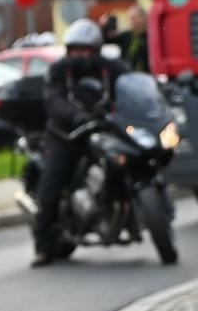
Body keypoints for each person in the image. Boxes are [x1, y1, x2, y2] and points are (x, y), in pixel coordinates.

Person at [30, 20, 129, 267]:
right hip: (67, 134)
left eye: (84, 50)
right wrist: (76, 115)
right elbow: (54, 100)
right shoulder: (58, 70)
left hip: (104, 130)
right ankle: (42, 245)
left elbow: (131, 83)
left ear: (95, 49)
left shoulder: (110, 68)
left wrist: (154, 93)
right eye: (74, 50)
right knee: (51, 186)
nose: (79, 55)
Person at [115, 6, 150, 73]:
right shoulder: (125, 35)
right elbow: (108, 39)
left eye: (134, 17)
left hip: (145, 76)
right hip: (126, 75)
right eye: (130, 17)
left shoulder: (150, 36)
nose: (131, 20)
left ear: (143, 18)